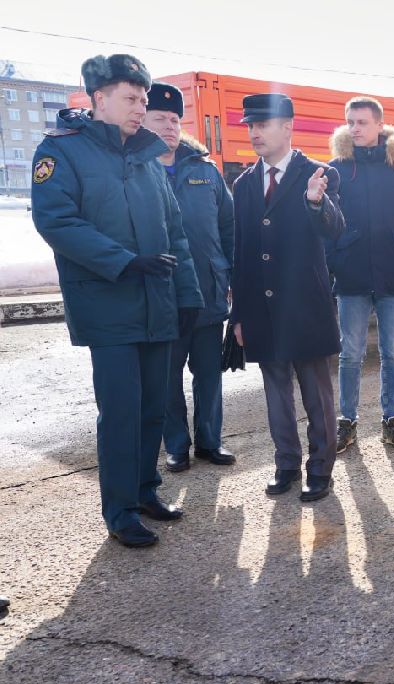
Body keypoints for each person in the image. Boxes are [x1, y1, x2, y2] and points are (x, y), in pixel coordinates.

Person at [31, 54, 203, 548]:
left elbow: (175, 233)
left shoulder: (147, 156)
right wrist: (123, 262)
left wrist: (188, 294)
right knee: (122, 411)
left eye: (143, 99)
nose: (140, 108)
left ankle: (146, 491)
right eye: (131, 98)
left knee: (154, 409)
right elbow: (56, 221)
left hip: (157, 303)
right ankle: (121, 510)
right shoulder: (62, 151)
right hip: (108, 306)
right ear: (99, 99)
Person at [230, 93, 344, 502]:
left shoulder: (318, 174)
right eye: (251, 126)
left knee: (317, 395)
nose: (254, 133)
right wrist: (238, 315)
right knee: (276, 393)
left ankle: (321, 469)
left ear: (288, 127)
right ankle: (286, 465)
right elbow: (241, 251)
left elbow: (335, 229)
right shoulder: (244, 184)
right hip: (261, 308)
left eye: (263, 125)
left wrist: (316, 201)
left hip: (305, 306)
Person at [326, 97, 394, 453]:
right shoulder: (337, 168)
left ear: (379, 125)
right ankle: (346, 423)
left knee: (393, 353)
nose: (354, 128)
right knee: (350, 354)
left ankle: (392, 423)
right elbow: (323, 222)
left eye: (361, 122)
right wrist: (335, 260)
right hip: (352, 276)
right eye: (350, 122)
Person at [142, 82, 237, 473]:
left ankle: (210, 442)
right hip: (163, 296)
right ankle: (177, 446)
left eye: (174, 119)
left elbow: (229, 228)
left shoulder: (205, 170)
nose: (169, 126)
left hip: (207, 292)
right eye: (160, 118)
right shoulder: (136, 169)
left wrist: (232, 277)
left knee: (209, 374)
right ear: (142, 120)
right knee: (167, 378)